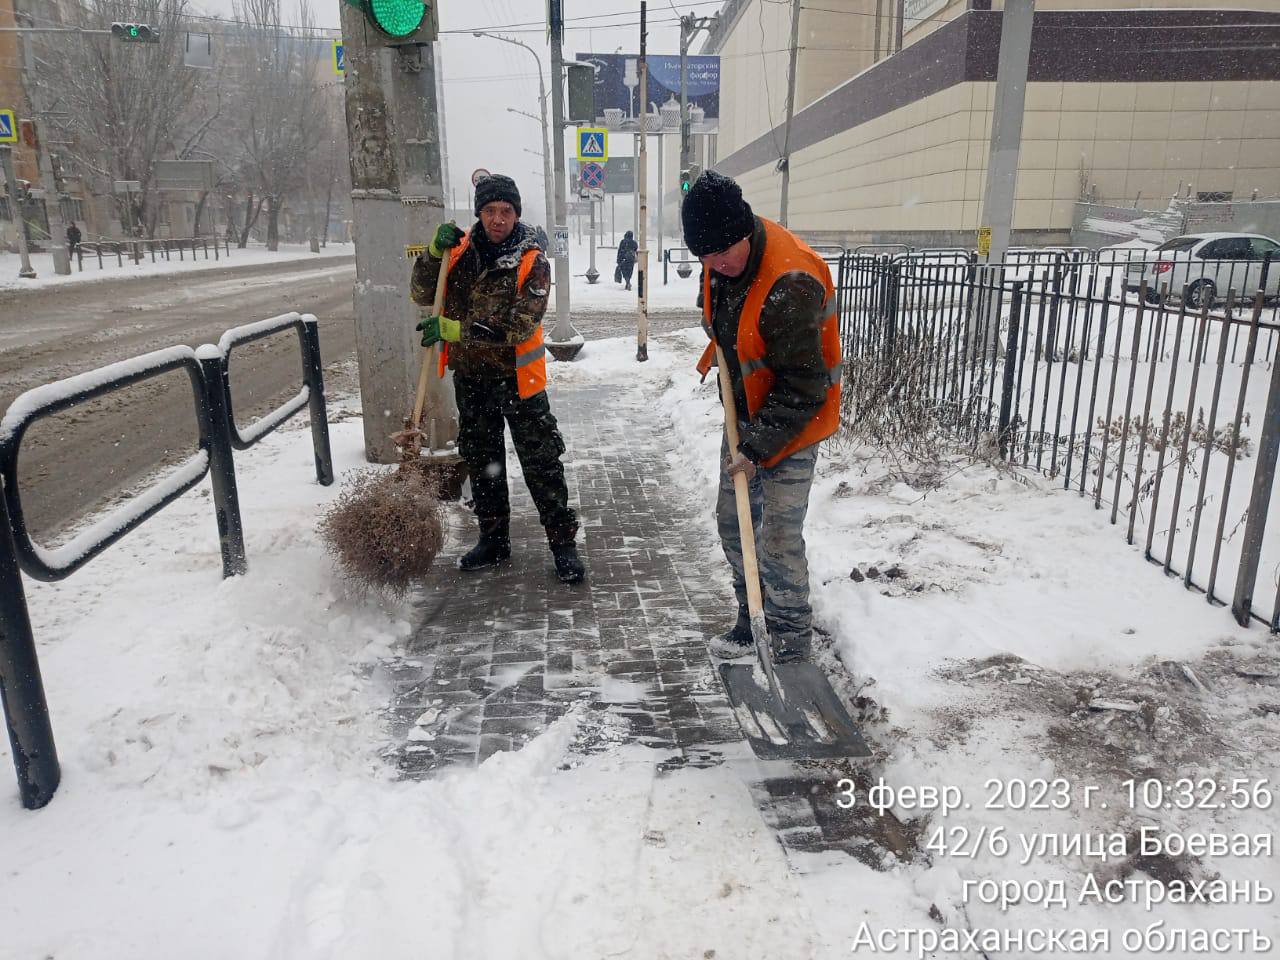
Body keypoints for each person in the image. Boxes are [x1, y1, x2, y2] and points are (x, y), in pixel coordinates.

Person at [681, 171, 842, 662]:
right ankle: (750, 617)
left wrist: (756, 448)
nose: (714, 264)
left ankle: (791, 641)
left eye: (723, 253)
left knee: (776, 537)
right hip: (745, 414)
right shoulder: (721, 258)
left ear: (744, 229)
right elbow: (722, 313)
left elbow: (804, 387)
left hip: (795, 423)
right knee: (734, 523)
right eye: (704, 257)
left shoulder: (790, 281)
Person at [410, 174, 585, 584]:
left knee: (541, 464)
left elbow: (521, 324)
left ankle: (563, 545)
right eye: (490, 211)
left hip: (519, 382)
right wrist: (434, 253)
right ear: (479, 213)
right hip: (471, 379)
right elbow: (422, 292)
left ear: (516, 214)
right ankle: (493, 539)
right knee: (483, 462)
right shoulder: (460, 251)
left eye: (506, 211)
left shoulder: (532, 260)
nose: (498, 218)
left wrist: (457, 330)